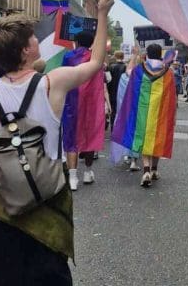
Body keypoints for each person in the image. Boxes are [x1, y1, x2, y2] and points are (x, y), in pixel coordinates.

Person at [0, 0, 114, 286]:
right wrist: (102, 13)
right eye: (32, 38)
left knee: (5, 276)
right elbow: (96, 61)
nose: (37, 40)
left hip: (2, 202)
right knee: (48, 275)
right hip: (49, 194)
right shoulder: (52, 83)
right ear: (24, 52)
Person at [112, 43, 178, 187]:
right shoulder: (168, 72)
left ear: (147, 54)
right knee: (158, 138)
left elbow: (129, 79)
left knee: (143, 138)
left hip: (142, 111)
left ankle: (146, 170)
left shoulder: (139, 70)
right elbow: (172, 96)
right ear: (160, 54)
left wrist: (135, 55)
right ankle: (154, 170)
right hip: (160, 112)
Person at [60, 31, 108, 190]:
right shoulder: (96, 58)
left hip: (72, 101)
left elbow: (62, 76)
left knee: (71, 137)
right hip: (92, 102)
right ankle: (88, 172)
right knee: (90, 135)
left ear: (77, 43)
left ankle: (72, 177)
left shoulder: (68, 57)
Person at [107, 51, 127, 130]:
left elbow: (108, 80)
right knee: (123, 110)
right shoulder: (125, 67)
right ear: (123, 57)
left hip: (112, 92)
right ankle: (122, 128)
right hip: (123, 92)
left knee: (113, 110)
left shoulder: (110, 67)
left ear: (115, 56)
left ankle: (113, 128)